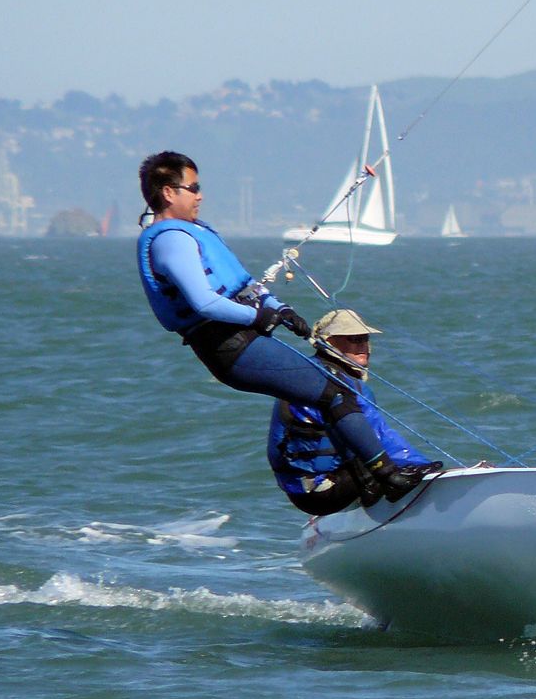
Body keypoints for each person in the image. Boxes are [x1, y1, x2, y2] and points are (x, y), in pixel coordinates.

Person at [134, 150, 421, 502]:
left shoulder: (193, 233)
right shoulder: (170, 240)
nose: (200, 195)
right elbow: (204, 302)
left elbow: (244, 286)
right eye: (193, 188)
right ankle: (388, 477)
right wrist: (258, 317)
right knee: (335, 393)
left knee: (334, 391)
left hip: (244, 340)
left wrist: (278, 309)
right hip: (229, 349)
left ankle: (375, 476)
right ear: (168, 192)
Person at [268, 309, 441, 515]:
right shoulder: (341, 386)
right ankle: (381, 497)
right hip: (326, 492)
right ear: (329, 342)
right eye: (354, 339)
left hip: (300, 492)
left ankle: (369, 494)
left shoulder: (304, 373)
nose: (363, 346)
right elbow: (377, 436)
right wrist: (422, 467)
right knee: (394, 464)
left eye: (365, 338)